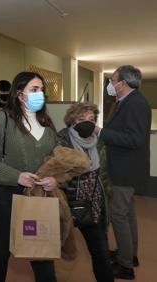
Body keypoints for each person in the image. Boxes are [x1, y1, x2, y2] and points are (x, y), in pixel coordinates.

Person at [0, 72, 58, 282]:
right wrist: (16, 176)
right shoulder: (3, 119)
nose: (40, 94)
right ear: (20, 94)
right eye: (34, 90)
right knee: (2, 251)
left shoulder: (47, 124)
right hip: (6, 197)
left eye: (42, 90)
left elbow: (56, 159)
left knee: (41, 254)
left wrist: (55, 178)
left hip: (37, 198)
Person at [95, 65, 151, 280]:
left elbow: (134, 139)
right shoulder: (126, 102)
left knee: (118, 214)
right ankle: (130, 255)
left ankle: (125, 265)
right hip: (124, 168)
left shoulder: (135, 104)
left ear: (123, 83)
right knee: (126, 213)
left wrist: (102, 132)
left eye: (112, 80)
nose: (110, 84)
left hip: (126, 170)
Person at [57, 102, 114, 282]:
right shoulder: (62, 140)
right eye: (82, 119)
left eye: (91, 119)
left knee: (101, 251)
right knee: (52, 244)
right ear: (71, 121)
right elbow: (58, 171)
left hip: (94, 202)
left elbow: (103, 173)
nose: (87, 123)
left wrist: (108, 196)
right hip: (70, 200)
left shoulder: (99, 141)